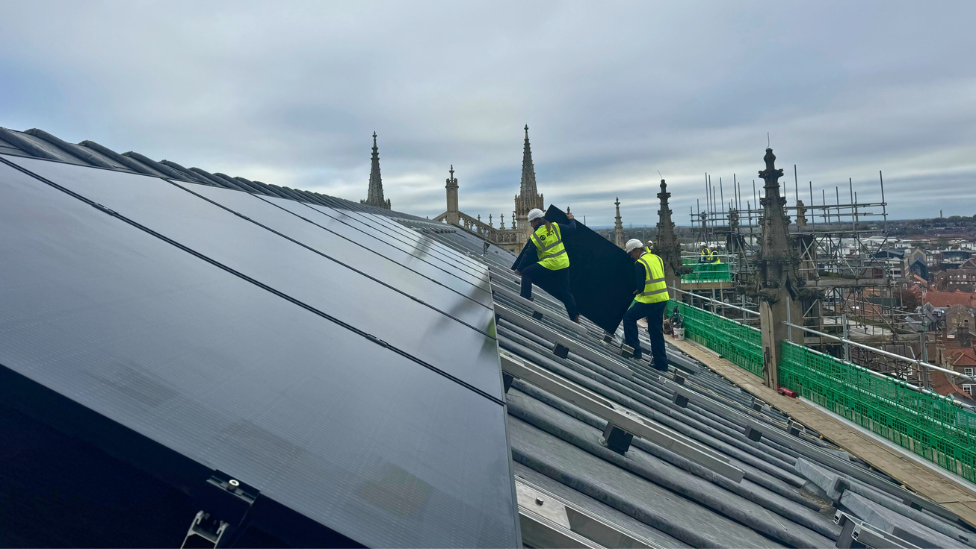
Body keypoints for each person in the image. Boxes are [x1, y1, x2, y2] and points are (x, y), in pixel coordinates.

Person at [513, 208, 580, 322]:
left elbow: (528, 255)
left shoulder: (536, 235)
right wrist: (571, 219)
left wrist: (519, 269)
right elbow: (572, 228)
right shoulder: (554, 226)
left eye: (531, 222)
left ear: (536, 221)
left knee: (526, 272)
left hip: (550, 264)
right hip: (564, 262)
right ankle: (574, 317)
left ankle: (526, 298)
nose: (531, 225)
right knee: (566, 291)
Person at [622, 239, 669, 370]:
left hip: (649, 300)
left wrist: (636, 290)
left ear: (637, 251)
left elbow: (641, 287)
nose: (632, 257)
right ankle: (661, 364)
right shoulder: (657, 258)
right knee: (656, 331)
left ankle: (634, 352)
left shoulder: (640, 263)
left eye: (632, 254)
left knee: (628, 318)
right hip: (662, 298)